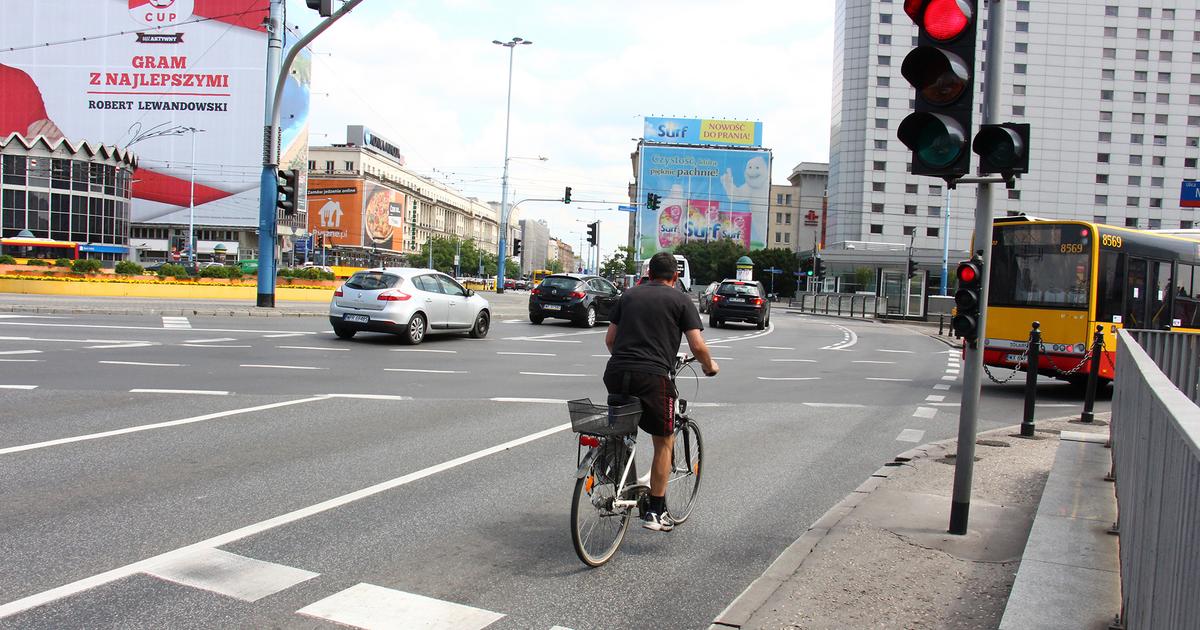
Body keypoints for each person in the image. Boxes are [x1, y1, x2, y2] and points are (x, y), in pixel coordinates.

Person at [604, 251, 718, 531]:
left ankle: (614, 474)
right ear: (675, 277)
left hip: (616, 372)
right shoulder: (681, 299)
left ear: (649, 274)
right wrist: (709, 366)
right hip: (653, 378)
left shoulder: (629, 296)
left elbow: (610, 340)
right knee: (663, 441)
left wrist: (628, 358)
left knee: (624, 429)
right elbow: (697, 346)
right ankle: (655, 511)